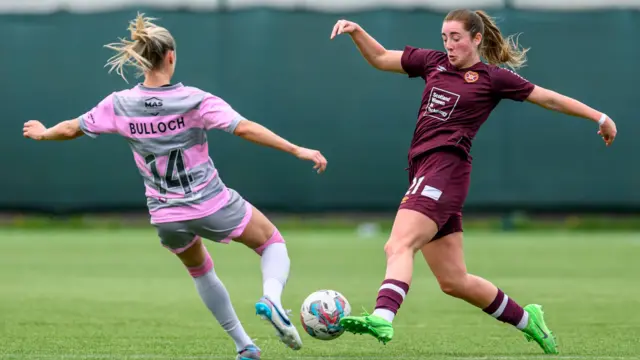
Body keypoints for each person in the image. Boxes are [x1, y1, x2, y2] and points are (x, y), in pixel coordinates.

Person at [22, 13, 327, 360]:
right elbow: (243, 128)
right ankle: (272, 298)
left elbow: (71, 128)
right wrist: (296, 149)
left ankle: (245, 346)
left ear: (142, 60)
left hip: (165, 216)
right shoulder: (195, 99)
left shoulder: (119, 104)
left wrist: (44, 132)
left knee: (200, 271)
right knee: (272, 243)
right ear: (170, 56)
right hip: (211, 203)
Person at [330, 9, 617, 355]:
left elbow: (548, 98)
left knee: (398, 245)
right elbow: (379, 57)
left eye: (456, 38)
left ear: (476, 39)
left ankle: (383, 316)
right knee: (454, 281)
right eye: (444, 38)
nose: (449, 45)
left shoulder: (492, 78)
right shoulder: (432, 63)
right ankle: (529, 320)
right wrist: (357, 31)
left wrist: (599, 117)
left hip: (445, 170)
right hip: (425, 171)